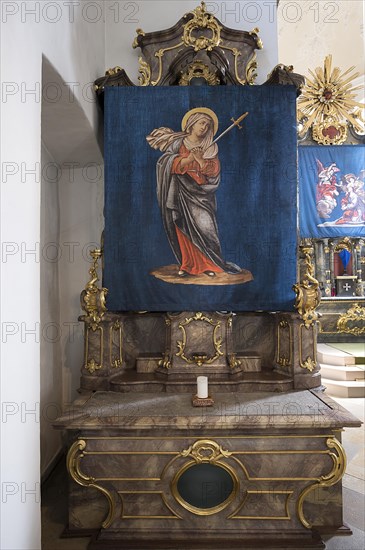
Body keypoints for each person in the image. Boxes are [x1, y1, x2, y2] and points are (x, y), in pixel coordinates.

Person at [146, 108, 241, 277]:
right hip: (181, 191)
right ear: (191, 124)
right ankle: (188, 265)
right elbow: (165, 163)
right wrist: (188, 159)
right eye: (201, 123)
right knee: (182, 226)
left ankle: (210, 264)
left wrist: (201, 161)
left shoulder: (211, 146)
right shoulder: (178, 143)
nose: (204, 127)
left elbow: (214, 171)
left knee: (206, 228)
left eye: (207, 124)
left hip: (202, 194)